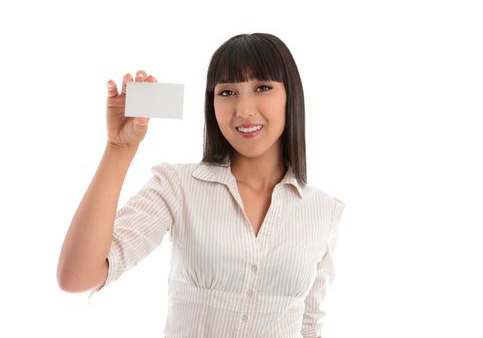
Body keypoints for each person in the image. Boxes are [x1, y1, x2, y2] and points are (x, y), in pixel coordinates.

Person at [57, 32, 345, 338]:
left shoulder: (324, 210)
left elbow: (310, 326)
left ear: (291, 96)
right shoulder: (179, 187)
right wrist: (119, 149)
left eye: (263, 87)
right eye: (227, 92)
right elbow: (77, 276)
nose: (244, 109)